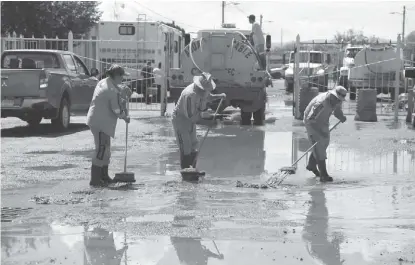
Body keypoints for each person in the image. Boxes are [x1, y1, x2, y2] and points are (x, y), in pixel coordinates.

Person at [172, 72, 226, 173]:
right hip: (181, 119)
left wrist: (219, 96)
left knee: (194, 145)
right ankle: (186, 172)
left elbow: (208, 97)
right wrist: (207, 123)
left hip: (192, 118)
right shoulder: (189, 95)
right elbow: (192, 117)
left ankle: (192, 169)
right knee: (185, 146)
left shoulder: (203, 91)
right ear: (199, 86)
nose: (205, 92)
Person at [86, 64, 131, 187]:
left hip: (99, 121)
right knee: (101, 151)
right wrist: (125, 117)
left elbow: (114, 92)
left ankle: (104, 177)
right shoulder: (110, 90)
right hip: (101, 123)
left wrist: (121, 92)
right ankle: (95, 180)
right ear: (116, 76)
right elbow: (116, 110)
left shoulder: (104, 82)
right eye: (122, 76)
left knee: (106, 150)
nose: (123, 79)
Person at [303, 86, 347, 182]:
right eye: (336, 99)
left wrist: (341, 117)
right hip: (311, 122)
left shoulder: (337, 101)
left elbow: (337, 111)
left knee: (324, 143)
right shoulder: (320, 103)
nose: (337, 102)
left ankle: (311, 165)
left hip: (323, 120)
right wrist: (319, 132)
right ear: (332, 95)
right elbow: (311, 119)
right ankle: (324, 175)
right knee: (318, 145)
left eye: (339, 100)